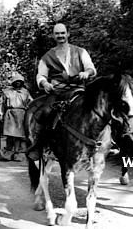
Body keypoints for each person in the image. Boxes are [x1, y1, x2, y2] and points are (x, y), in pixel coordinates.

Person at [27, 23, 97, 161]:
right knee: (46, 112)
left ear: (68, 34)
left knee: (97, 108)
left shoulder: (80, 51)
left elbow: (90, 67)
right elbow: (41, 75)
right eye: (57, 33)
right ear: (53, 36)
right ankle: (40, 145)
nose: (60, 36)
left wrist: (86, 73)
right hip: (57, 91)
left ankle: (104, 142)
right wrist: (44, 83)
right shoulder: (47, 56)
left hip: (78, 90)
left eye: (63, 33)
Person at [0, 73, 33, 162]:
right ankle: (8, 151)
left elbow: (31, 103)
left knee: (18, 135)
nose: (18, 83)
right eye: (16, 81)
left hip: (21, 114)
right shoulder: (7, 92)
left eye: (20, 82)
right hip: (10, 113)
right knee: (10, 134)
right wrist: (0, 114)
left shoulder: (25, 92)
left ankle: (17, 152)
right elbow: (1, 104)